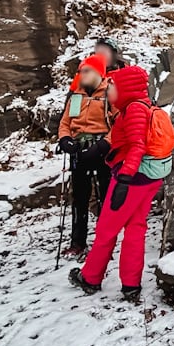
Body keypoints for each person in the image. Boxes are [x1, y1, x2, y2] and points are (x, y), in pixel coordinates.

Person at [69, 64, 174, 303]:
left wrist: (124, 179)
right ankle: (130, 285)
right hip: (149, 176)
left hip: (134, 177)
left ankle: (90, 278)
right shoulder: (141, 105)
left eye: (113, 87)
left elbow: (137, 145)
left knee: (107, 229)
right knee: (136, 228)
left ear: (126, 88)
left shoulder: (135, 110)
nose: (109, 91)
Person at [56, 53, 111, 260]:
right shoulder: (76, 95)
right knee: (79, 198)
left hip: (102, 152)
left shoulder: (110, 94)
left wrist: (105, 144)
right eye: (79, 71)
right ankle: (77, 242)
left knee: (105, 197)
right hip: (79, 152)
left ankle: (104, 242)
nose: (80, 75)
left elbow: (120, 125)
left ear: (98, 72)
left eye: (85, 70)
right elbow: (65, 123)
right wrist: (65, 139)